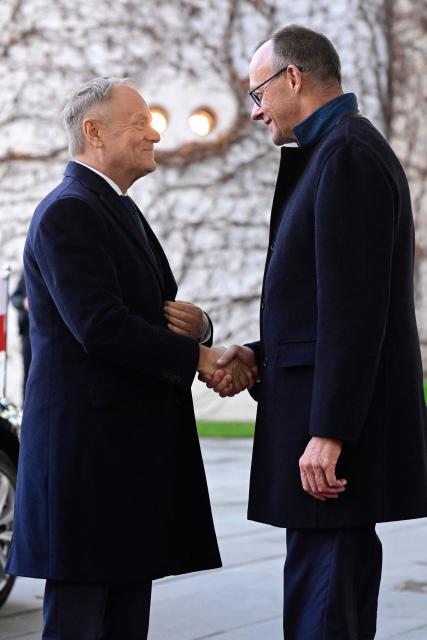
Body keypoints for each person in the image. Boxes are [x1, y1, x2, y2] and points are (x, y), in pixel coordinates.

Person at [6, 77, 254, 640]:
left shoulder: (112, 207)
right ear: (93, 132)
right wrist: (200, 356)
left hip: (120, 463)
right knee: (79, 622)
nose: (154, 131)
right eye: (139, 120)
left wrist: (203, 329)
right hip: (88, 466)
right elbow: (102, 326)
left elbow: (157, 312)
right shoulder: (68, 211)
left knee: (123, 623)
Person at [203, 25, 427, 639]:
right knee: (322, 596)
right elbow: (318, 307)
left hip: (330, 440)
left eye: (258, 94)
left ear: (293, 78)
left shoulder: (348, 154)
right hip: (321, 427)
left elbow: (353, 313)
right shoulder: (333, 152)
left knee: (327, 609)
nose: (254, 112)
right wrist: (256, 354)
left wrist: (328, 433)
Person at [11, 272, 31, 400]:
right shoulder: (26, 274)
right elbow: (14, 298)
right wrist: (24, 303)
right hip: (28, 332)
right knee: (27, 374)